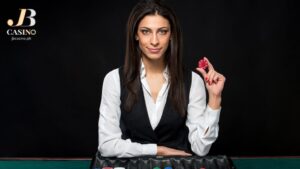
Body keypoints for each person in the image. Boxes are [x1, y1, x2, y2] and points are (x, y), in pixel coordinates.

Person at [98, 0, 226, 158]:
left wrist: (214, 98)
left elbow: (200, 148)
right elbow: (107, 145)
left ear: (171, 35)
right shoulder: (113, 80)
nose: (154, 41)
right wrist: (158, 150)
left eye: (162, 31)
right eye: (146, 31)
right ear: (135, 35)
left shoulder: (193, 81)